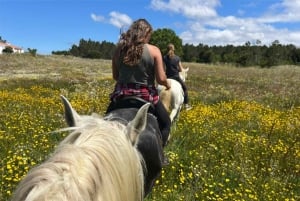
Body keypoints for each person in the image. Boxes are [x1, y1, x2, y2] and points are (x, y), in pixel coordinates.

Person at [106, 18, 171, 147]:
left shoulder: (119, 49)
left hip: (121, 96)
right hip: (147, 97)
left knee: (104, 123)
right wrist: (167, 85)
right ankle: (162, 156)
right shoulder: (154, 50)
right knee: (166, 124)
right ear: (146, 34)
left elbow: (115, 76)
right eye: (149, 36)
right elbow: (161, 79)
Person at [163, 43, 192, 110]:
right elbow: (181, 69)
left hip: (168, 78)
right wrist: (177, 69)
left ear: (167, 49)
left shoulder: (164, 58)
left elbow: (164, 69)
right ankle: (186, 105)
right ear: (174, 49)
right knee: (185, 89)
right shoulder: (177, 58)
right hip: (176, 77)